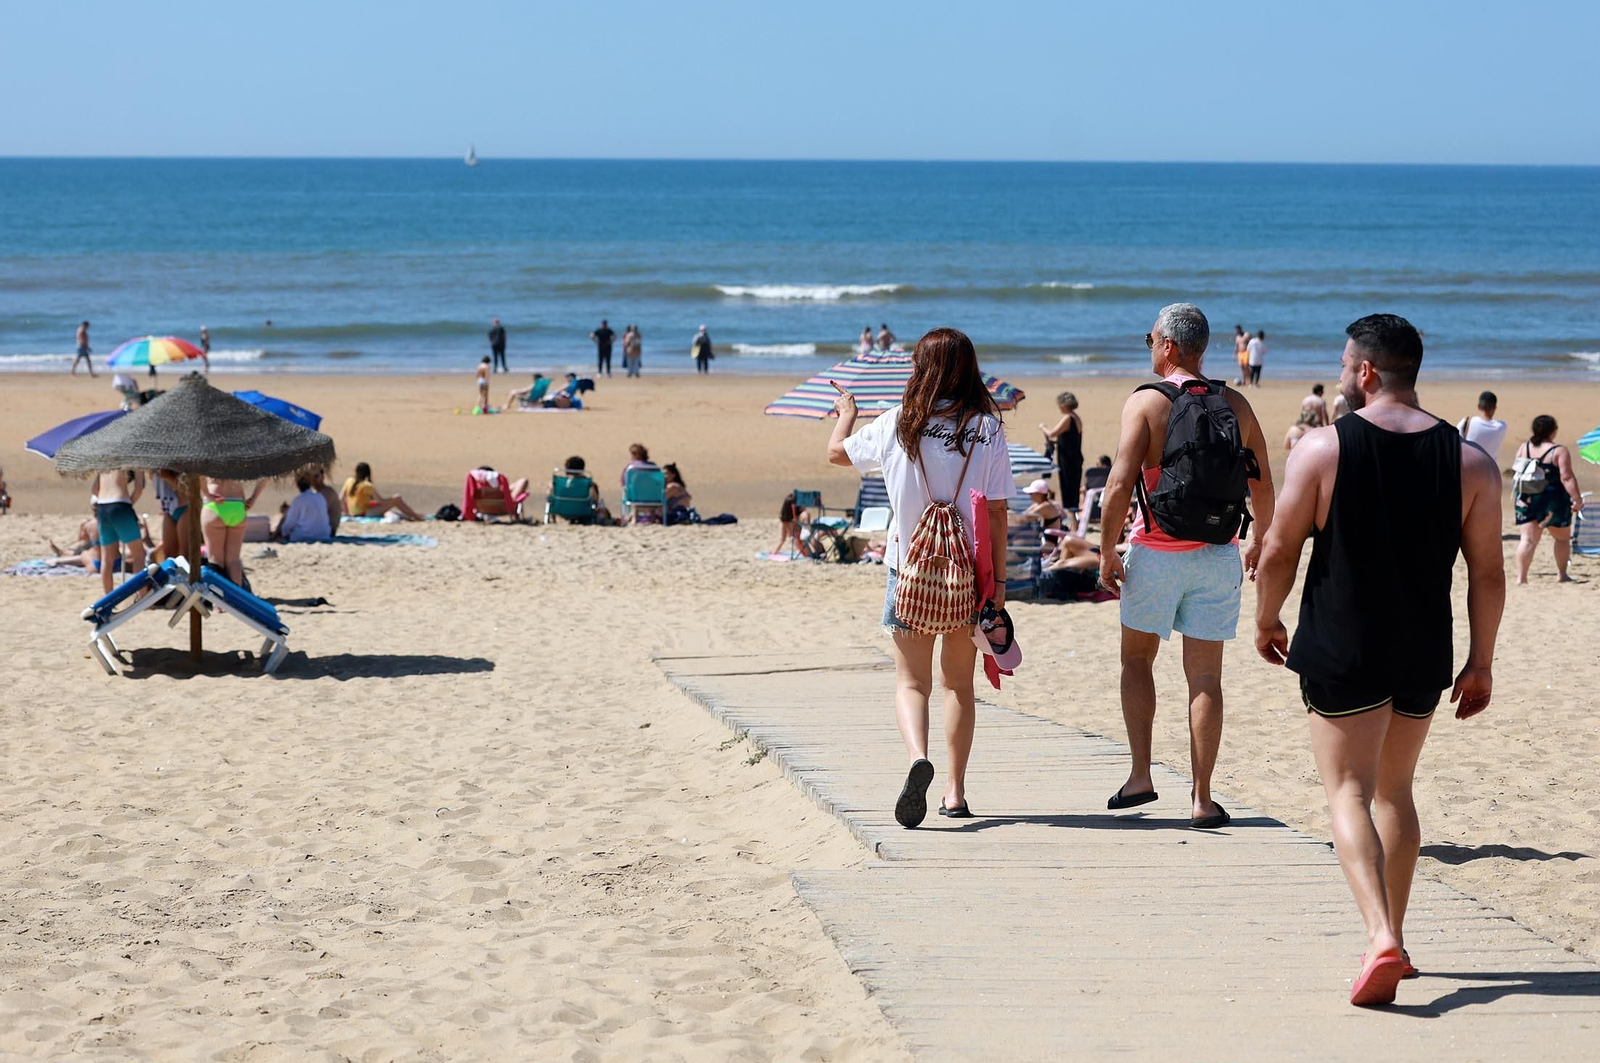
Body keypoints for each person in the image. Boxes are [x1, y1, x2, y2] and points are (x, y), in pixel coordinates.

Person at [1253, 313, 1505, 1007]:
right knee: (1395, 790)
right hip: (1424, 647)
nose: (1340, 372)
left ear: (1365, 371)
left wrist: (1266, 615)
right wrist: (1481, 661)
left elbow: (1279, 547)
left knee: (1349, 793)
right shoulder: (1470, 460)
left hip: (1343, 643)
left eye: (1343, 362)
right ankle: (1394, 933)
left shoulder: (1323, 449)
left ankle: (1379, 936)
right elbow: (1488, 573)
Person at [1096, 303, 1275, 828]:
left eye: (1150, 338)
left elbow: (1118, 484)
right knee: (1205, 678)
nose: (1149, 345)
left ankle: (1141, 775)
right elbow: (1262, 481)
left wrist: (1107, 551)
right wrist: (1259, 538)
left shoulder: (1147, 403)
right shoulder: (1234, 402)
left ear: (1169, 345)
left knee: (1136, 662)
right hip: (1218, 554)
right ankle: (1201, 797)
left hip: (1156, 552)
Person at [828, 327, 1013, 827]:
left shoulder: (895, 424)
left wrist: (847, 415)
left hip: (907, 570)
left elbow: (837, 454)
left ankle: (917, 759)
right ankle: (955, 792)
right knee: (958, 685)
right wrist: (997, 584)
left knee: (912, 682)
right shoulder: (987, 429)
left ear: (920, 368)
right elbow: (996, 512)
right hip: (966, 574)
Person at [1513, 415, 1585, 583]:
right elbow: (1566, 477)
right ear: (1553, 431)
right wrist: (1577, 499)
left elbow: (1518, 471)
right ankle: (1562, 574)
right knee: (1561, 539)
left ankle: (1521, 577)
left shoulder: (1524, 447)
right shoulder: (1558, 450)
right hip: (1553, 501)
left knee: (1527, 540)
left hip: (1527, 498)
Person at [200, 474, 264, 585]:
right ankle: (236, 598)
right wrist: (253, 498)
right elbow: (266, 475)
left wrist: (207, 493)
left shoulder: (208, 456)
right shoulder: (240, 457)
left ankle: (217, 599)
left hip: (216, 503)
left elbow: (197, 474)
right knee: (234, 560)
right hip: (238, 505)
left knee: (215, 559)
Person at [93, 469, 146, 594]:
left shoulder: (103, 462)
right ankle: (142, 595)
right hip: (121, 505)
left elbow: (95, 489)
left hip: (102, 507)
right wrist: (128, 504)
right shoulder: (135, 459)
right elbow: (139, 489)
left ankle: (107, 598)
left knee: (106, 559)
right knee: (138, 555)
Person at [1039, 391, 1084, 507]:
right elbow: (1070, 439)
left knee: (1068, 489)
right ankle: (1073, 516)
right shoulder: (1076, 417)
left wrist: (1043, 427)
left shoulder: (1068, 418)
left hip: (1068, 460)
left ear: (1063, 404)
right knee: (1073, 489)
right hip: (1075, 458)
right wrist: (1055, 442)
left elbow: (1052, 433)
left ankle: (1071, 517)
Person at [341, 462, 424, 521]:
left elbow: (341, 498)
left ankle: (414, 514)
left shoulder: (349, 480)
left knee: (393, 505)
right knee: (397, 499)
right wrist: (393, 499)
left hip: (353, 512)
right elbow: (381, 501)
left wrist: (346, 512)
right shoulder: (366, 485)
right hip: (363, 513)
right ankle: (416, 516)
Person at [273, 476, 333, 542]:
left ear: (298, 485)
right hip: (324, 534)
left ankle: (273, 536)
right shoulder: (320, 497)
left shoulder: (298, 499)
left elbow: (290, 522)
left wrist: (283, 531)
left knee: (287, 518)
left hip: (304, 535)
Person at [1456, 390, 1508, 466]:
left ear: (1478, 406)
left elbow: (1455, 441)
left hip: (1468, 466)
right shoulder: (1501, 427)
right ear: (1495, 407)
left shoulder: (1467, 422)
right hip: (1490, 470)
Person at [152, 469, 191, 562]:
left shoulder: (184, 468)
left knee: (184, 554)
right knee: (169, 554)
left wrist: (168, 478)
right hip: (169, 510)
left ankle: (186, 576)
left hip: (186, 508)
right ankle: (171, 576)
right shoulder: (157, 469)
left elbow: (187, 490)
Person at [310, 467, 342, 536]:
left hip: (328, 529)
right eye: (311, 477)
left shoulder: (328, 492)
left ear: (322, 477)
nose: (313, 480)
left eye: (316, 476)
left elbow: (318, 513)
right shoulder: (314, 492)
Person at [775, 492, 808, 557]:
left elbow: (782, 540)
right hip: (801, 543)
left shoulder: (785, 521)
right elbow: (798, 540)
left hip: (799, 542)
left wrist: (775, 552)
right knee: (799, 540)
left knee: (797, 539)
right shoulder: (796, 519)